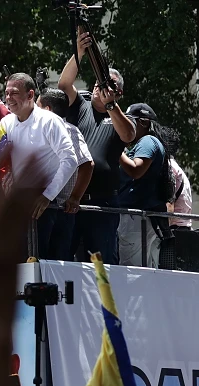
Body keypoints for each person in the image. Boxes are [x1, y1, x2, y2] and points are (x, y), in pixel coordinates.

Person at [58, 30, 136, 264]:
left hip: (102, 204)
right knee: (63, 258)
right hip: (71, 198)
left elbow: (129, 134)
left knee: (101, 266)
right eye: (97, 82)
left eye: (106, 84)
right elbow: (63, 84)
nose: (98, 87)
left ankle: (105, 303)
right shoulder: (80, 105)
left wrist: (111, 105)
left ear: (118, 92)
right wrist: (80, 51)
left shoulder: (120, 117)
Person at [0, 73, 78, 259]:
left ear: (30, 94)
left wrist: (47, 195)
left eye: (14, 93)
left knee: (37, 264)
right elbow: (0, 160)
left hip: (40, 205)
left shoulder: (49, 121)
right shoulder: (5, 123)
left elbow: (70, 160)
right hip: (15, 201)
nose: (8, 98)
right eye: (7, 93)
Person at [36, 88, 95, 260]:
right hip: (46, 209)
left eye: (36, 106)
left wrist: (75, 197)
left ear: (47, 110)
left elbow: (87, 164)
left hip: (60, 210)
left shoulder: (68, 130)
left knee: (50, 263)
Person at [117, 103, 168, 268]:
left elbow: (135, 170)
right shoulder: (148, 142)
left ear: (144, 122)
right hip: (140, 220)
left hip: (136, 221)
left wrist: (116, 148)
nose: (124, 124)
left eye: (129, 120)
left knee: (132, 272)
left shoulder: (147, 141)